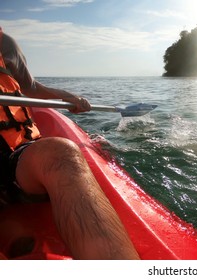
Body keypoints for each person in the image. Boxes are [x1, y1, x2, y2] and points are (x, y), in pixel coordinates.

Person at [0, 27, 140, 259]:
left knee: (61, 154)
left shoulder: (6, 44)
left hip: (15, 159)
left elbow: (31, 88)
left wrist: (68, 97)